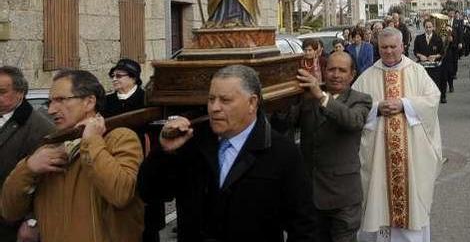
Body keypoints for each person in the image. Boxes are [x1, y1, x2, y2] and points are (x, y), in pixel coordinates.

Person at [137, 65, 317, 241]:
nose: (214, 107)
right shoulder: (190, 143)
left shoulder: (281, 152)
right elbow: (150, 193)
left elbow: (303, 225)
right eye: (211, 99)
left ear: (252, 103)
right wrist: (163, 152)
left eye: (225, 100)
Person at [1, 69, 144, 242]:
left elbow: (120, 194)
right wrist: (28, 168)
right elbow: (9, 211)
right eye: (50, 102)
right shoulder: (48, 147)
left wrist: (91, 140)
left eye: (61, 100)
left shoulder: (120, 138)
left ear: (89, 102)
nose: (52, 110)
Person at [352, 28, 442, 241]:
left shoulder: (417, 71)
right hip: (379, 159)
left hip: (411, 156)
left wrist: (404, 104)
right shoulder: (367, 76)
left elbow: (433, 99)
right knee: (379, 201)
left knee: (411, 205)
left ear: (402, 46)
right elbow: (354, 108)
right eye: (384, 47)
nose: (389, 51)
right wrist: (376, 108)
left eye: (393, 46)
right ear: (378, 48)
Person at [287, 52, 372, 242]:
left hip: (343, 199)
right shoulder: (308, 96)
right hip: (311, 195)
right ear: (324, 71)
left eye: (342, 70)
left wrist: (321, 96)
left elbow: (352, 121)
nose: (336, 74)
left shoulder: (361, 99)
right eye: (331, 69)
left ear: (352, 74)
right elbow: (287, 123)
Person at [104, 59, 165, 242]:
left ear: (133, 78)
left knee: (148, 224)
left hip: (145, 163)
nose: (115, 79)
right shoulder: (107, 102)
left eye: (119, 76)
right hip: (115, 163)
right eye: (113, 76)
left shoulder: (147, 100)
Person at [0, 66, 54, 242]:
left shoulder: (41, 129)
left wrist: (32, 220)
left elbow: (45, 182)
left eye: (2, 92)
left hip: (10, 223)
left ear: (20, 93)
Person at [413, 20, 446, 103]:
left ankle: (437, 97)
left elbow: (442, 53)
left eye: (430, 27)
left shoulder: (438, 38)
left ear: (433, 27)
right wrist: (420, 56)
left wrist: (435, 56)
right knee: (423, 83)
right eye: (426, 27)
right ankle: (424, 98)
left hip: (434, 66)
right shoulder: (418, 38)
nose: (428, 29)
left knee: (435, 82)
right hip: (423, 66)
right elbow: (415, 51)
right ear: (424, 28)